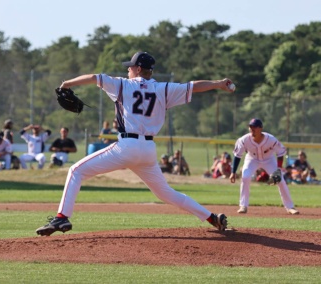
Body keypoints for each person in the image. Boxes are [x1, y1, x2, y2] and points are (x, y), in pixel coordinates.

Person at [36, 51, 234, 236]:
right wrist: (218, 84)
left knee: (75, 171)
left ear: (139, 69)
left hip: (127, 146)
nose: (127, 69)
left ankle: (61, 218)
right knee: (166, 193)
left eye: (130, 67)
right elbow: (193, 86)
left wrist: (66, 84)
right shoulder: (163, 88)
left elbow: (94, 77)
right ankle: (211, 217)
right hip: (148, 150)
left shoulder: (123, 85)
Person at [229, 118, 299, 215]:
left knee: (281, 180)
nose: (252, 129)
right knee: (245, 176)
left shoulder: (271, 139)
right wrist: (233, 172)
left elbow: (280, 153)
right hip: (252, 159)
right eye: (250, 127)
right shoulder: (244, 140)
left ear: (261, 128)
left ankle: (290, 207)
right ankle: (243, 206)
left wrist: (278, 169)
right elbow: (237, 156)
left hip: (269, 160)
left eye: (255, 127)